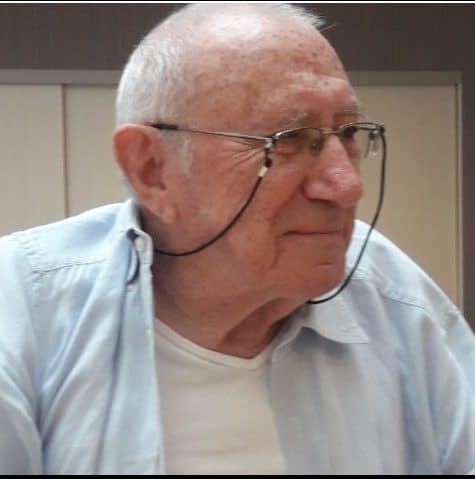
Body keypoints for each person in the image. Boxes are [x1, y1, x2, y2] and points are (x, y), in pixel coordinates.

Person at [0, 3, 474, 475]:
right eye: (289, 139)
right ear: (152, 169)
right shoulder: (26, 312)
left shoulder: (393, 298)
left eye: (348, 132)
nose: (347, 185)